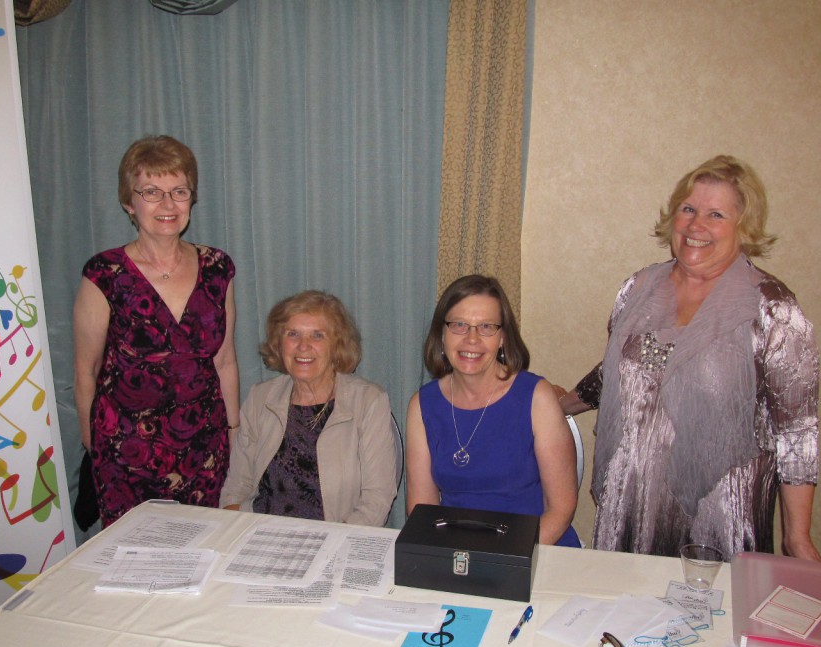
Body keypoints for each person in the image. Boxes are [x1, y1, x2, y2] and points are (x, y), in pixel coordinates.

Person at [559, 155, 821, 561]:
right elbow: (618, 370)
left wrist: (797, 538)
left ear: (744, 226)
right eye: (688, 209)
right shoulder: (638, 288)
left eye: (716, 214)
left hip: (718, 512)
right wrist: (556, 407)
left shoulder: (772, 309)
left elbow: (797, 432)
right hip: (632, 499)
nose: (696, 225)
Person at [73, 136, 238, 527]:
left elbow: (225, 359)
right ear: (130, 203)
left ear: (191, 200)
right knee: (132, 563)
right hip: (126, 452)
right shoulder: (105, 274)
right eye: (151, 192)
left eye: (178, 191)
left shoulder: (218, 268)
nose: (167, 204)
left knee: (201, 553)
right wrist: (92, 443)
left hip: (204, 448)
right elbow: (86, 369)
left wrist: (234, 434)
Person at [406, 275, 580, 546]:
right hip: (459, 553)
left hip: (535, 548)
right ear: (442, 334)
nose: (471, 339)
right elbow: (422, 511)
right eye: (459, 325)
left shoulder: (536, 397)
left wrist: (502, 562)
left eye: (486, 326)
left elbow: (560, 510)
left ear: (502, 338)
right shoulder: (422, 405)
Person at [219, 291, 398, 525]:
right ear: (279, 343)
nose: (303, 346)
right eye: (292, 334)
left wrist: (334, 547)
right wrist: (231, 528)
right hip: (261, 532)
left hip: (334, 536)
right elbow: (237, 485)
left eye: (317, 335)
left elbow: (377, 499)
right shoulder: (259, 398)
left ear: (337, 344)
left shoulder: (369, 401)